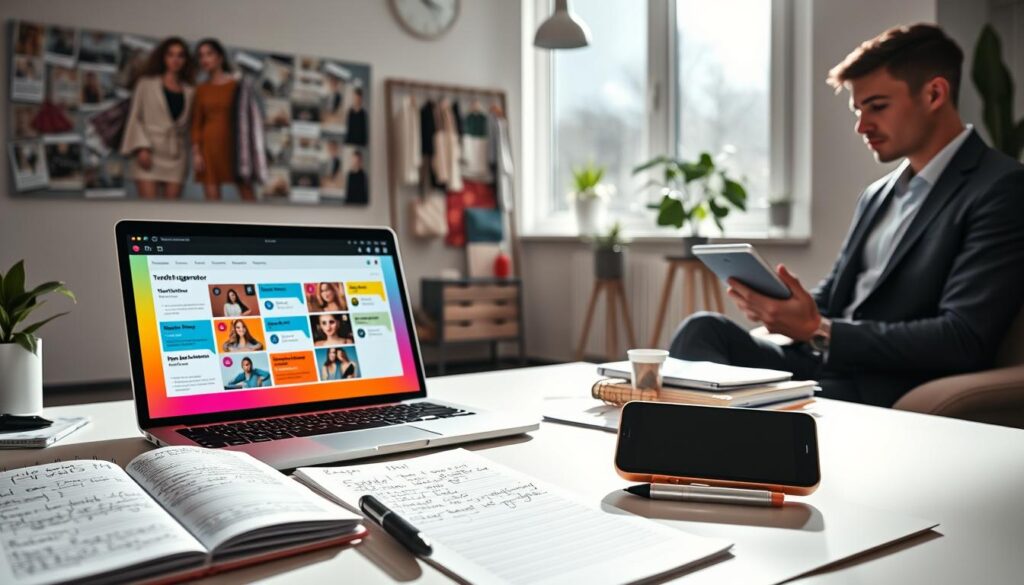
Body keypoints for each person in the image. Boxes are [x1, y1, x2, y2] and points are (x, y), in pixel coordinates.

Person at [668, 24, 1024, 407]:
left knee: (720, 401)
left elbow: (962, 337)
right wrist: (786, 305)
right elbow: (839, 295)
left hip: (880, 381)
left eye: (878, 106)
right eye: (858, 110)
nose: (861, 126)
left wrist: (820, 330)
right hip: (821, 363)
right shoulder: (878, 194)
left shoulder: (1000, 187)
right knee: (703, 330)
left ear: (934, 94)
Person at [120, 37, 195, 199]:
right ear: (163, 57)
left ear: (186, 60)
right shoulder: (146, 84)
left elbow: (193, 126)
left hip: (177, 156)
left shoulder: (191, 91)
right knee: (149, 210)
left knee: (170, 212)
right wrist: (141, 148)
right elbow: (135, 117)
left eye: (180, 55)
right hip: (149, 151)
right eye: (170, 54)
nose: (175, 60)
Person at [192, 38, 254, 201]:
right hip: (209, 147)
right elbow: (197, 123)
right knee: (212, 201)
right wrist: (197, 153)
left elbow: (249, 118)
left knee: (248, 194)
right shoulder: (201, 89)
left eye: (209, 54)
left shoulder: (236, 85)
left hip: (236, 147)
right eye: (201, 56)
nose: (205, 59)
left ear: (219, 57)